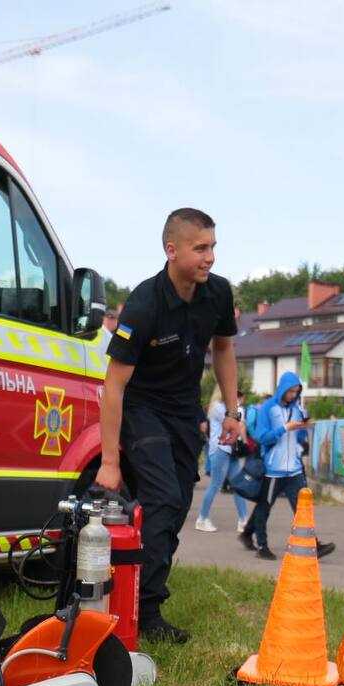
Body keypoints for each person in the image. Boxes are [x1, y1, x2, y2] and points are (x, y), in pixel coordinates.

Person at [97, 208, 242, 644]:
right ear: (171, 249)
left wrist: (233, 412)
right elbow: (113, 386)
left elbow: (223, 351)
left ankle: (132, 588)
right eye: (201, 248)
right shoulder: (143, 303)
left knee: (176, 505)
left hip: (184, 410)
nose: (210, 257)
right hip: (142, 408)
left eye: (213, 246)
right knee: (162, 498)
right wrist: (108, 462)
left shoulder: (217, 294)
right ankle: (144, 609)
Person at [241, 370, 337, 561]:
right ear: (282, 389)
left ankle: (313, 545)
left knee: (303, 508)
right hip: (273, 470)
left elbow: (300, 437)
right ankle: (262, 546)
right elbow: (261, 436)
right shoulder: (268, 408)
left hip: (294, 469)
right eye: (290, 391)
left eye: (296, 391)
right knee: (264, 507)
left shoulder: (297, 409)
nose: (293, 395)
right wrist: (285, 428)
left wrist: (303, 428)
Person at [194, 394, 248, 532]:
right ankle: (202, 518)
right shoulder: (217, 407)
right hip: (220, 448)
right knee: (215, 485)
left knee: (238, 485)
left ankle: (243, 520)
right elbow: (235, 420)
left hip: (229, 449)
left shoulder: (224, 407)